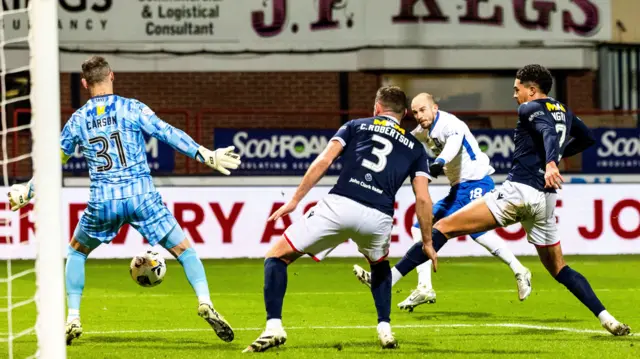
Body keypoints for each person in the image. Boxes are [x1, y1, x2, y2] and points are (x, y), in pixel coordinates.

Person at [7, 56, 242, 345]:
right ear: (112, 76)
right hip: (142, 195)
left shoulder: (78, 119)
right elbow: (166, 132)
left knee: (77, 252)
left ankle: (73, 317)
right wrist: (204, 154)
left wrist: (28, 191)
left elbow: (53, 161)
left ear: (84, 84)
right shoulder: (132, 107)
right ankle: (205, 301)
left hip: (103, 199)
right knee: (184, 250)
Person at [400, 64, 630, 336]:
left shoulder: (529, 109)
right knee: (559, 268)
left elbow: (545, 130)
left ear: (532, 90)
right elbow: (587, 137)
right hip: (545, 198)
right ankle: (607, 318)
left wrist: (552, 161)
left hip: (519, 191)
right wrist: (555, 159)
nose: (514, 95)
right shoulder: (563, 110)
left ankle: (390, 278)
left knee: (441, 228)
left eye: (517, 88)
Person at [243, 86, 437, 352]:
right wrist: (427, 241)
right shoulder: (416, 148)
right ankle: (385, 329)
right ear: (404, 114)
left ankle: (273, 327)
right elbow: (423, 199)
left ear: (376, 108)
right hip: (379, 216)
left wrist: (295, 200)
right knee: (379, 264)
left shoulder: (355, 126)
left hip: (341, 204)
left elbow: (324, 161)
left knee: (276, 256)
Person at [353, 93, 531, 311]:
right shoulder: (424, 129)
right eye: (415, 112)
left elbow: (453, 145)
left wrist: (439, 162)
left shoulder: (450, 123)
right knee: (420, 227)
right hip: (458, 189)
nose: (419, 116)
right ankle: (424, 286)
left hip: (477, 183)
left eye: (423, 110)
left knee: (475, 231)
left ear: (434, 108)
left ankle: (520, 270)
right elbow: (405, 140)